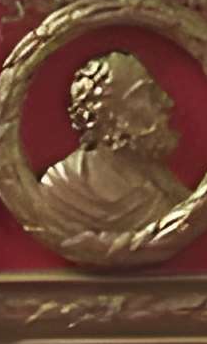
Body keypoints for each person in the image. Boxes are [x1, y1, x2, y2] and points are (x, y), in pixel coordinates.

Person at [36, 51, 188, 236]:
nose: (167, 102)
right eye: (146, 93)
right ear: (108, 116)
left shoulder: (159, 178)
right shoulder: (63, 188)